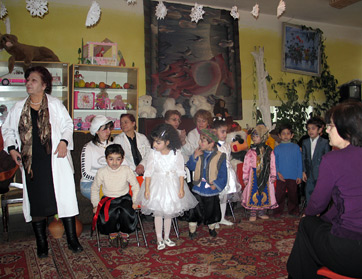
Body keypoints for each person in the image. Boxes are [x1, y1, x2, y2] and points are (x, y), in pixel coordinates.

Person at [1, 66, 83, 258]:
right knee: (37, 203)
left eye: (33, 80)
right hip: (32, 163)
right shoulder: (19, 107)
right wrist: (12, 149)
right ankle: (42, 244)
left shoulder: (55, 105)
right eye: (28, 80)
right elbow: (7, 130)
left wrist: (64, 142)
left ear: (44, 85)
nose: (28, 83)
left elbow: (68, 125)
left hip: (55, 159)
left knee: (64, 200)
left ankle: (72, 240)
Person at [287, 102, 362, 279]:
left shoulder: (332, 159)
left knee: (306, 225)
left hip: (350, 253)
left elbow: (317, 204)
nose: (326, 130)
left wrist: (310, 215)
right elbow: (345, 202)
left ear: (347, 129)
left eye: (331, 126)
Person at [136, 124, 198, 250]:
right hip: (157, 185)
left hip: (172, 185)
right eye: (154, 141)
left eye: (158, 142)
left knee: (169, 212)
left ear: (167, 142)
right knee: (158, 213)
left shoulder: (176, 154)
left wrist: (181, 188)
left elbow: (181, 172)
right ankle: (159, 239)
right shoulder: (153, 154)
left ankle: (167, 237)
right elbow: (148, 172)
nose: (154, 145)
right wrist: (147, 189)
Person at [91, 144, 140, 248]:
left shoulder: (126, 170)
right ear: (106, 159)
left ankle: (124, 234)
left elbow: (135, 186)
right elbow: (94, 188)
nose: (114, 162)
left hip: (124, 198)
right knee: (108, 214)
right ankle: (112, 234)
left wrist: (135, 201)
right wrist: (95, 204)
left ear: (122, 159)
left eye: (118, 159)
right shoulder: (101, 172)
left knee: (126, 213)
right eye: (111, 159)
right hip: (108, 199)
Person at [186, 128, 227, 239]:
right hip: (198, 188)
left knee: (212, 210)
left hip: (210, 188)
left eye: (203, 141)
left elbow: (223, 174)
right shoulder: (198, 153)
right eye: (200, 140)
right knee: (195, 210)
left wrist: (216, 184)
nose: (200, 143)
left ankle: (212, 227)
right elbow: (190, 166)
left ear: (211, 143)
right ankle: (192, 229)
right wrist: (194, 156)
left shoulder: (220, 156)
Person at [241, 124, 278, 221]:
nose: (254, 138)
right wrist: (245, 177)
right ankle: (253, 213)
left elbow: (272, 164)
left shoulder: (269, 151)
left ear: (263, 137)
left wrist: (273, 175)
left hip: (265, 174)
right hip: (253, 175)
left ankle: (261, 212)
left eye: (257, 136)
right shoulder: (251, 151)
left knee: (264, 192)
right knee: (253, 192)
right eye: (253, 136)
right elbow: (246, 165)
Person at [213, 117, 241, 226]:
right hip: (218, 173)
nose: (225, 134)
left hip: (227, 173)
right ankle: (215, 219)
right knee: (217, 196)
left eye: (226, 131)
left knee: (224, 196)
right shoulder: (214, 146)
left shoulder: (227, 145)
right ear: (215, 132)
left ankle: (222, 217)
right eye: (222, 131)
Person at [80, 115, 114, 199]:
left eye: (109, 128)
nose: (108, 132)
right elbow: (85, 173)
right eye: (105, 129)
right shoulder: (88, 147)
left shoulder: (113, 146)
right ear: (96, 131)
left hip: (110, 182)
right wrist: (104, 178)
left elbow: (124, 164)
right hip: (89, 183)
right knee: (110, 195)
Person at [273, 123, 302, 217]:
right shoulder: (276, 149)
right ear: (279, 136)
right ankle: (277, 211)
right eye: (283, 133)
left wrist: (299, 175)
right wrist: (277, 174)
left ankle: (293, 210)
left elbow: (299, 162)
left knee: (293, 195)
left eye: (288, 133)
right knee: (279, 195)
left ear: (292, 135)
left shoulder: (296, 147)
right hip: (281, 176)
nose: (286, 135)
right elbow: (274, 163)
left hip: (293, 176)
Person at [302, 116, 330, 203]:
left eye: (313, 128)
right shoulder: (305, 142)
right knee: (308, 192)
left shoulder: (325, 142)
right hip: (309, 173)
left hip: (320, 173)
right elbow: (303, 157)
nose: (310, 131)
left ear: (320, 130)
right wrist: (303, 171)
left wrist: (326, 173)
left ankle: (319, 212)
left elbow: (327, 159)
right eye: (309, 129)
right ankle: (309, 211)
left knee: (320, 193)